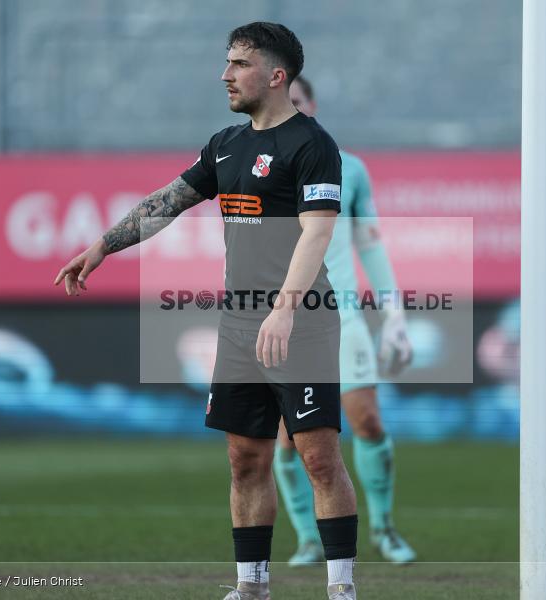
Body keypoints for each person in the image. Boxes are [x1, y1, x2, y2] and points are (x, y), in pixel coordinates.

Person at [54, 22, 359, 600]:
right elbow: (166, 202)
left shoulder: (313, 145)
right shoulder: (225, 144)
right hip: (240, 323)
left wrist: (285, 309)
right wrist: (102, 246)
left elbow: (316, 234)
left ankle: (341, 590)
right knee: (245, 459)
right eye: (227, 62)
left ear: (276, 76)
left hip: (302, 320)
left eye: (239, 63)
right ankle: (252, 587)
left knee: (318, 458)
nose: (225, 75)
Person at [273, 76, 417, 567]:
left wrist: (395, 314)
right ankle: (307, 539)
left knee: (367, 421)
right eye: (282, 103)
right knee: (287, 437)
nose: (289, 110)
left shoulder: (348, 169)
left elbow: (371, 244)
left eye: (296, 102)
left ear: (311, 105)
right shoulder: (259, 165)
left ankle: (383, 528)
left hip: (343, 319)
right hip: (282, 322)